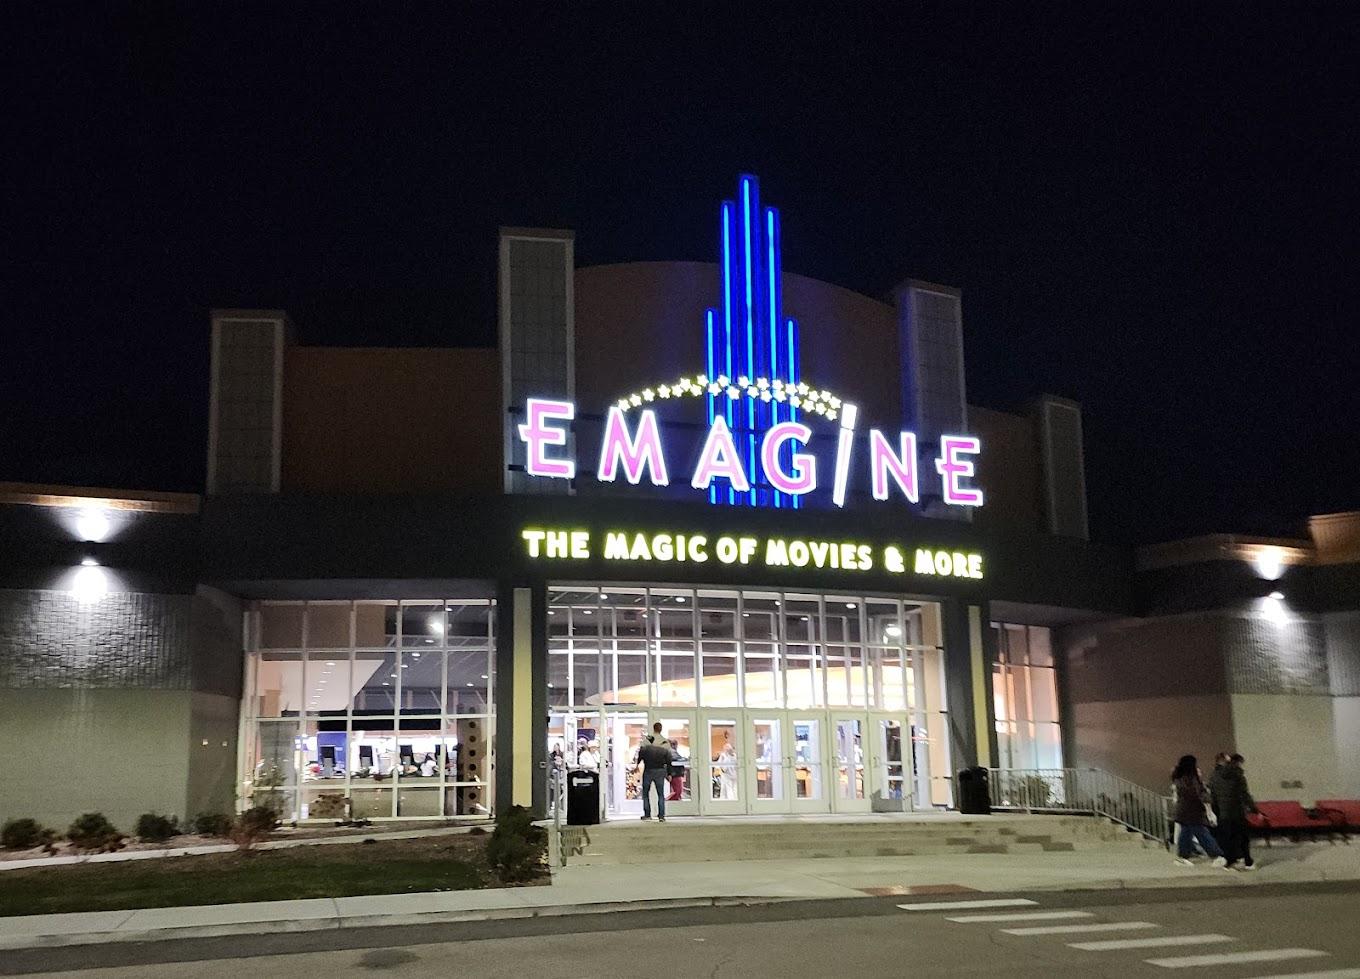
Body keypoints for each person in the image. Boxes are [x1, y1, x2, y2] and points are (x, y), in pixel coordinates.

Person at [1171, 754, 1228, 868]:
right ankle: (1217, 855)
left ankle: (1183, 856)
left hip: (1184, 811)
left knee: (1186, 833)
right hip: (1193, 811)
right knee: (1202, 833)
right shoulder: (1190, 778)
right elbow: (1198, 793)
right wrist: (1207, 806)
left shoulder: (1180, 777)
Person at [1209, 752, 1259, 870]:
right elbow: (1244, 795)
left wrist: (1215, 812)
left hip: (1223, 813)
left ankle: (1230, 861)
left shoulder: (1214, 776)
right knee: (1243, 838)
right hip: (1237, 811)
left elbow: (1213, 797)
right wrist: (1255, 810)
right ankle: (1248, 862)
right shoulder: (1237, 775)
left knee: (1228, 838)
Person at [636, 722, 672, 821]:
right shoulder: (665, 742)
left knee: (645, 794)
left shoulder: (648, 740)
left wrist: (637, 765)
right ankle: (661, 816)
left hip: (648, 769)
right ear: (661, 729)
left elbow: (641, 753)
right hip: (660, 770)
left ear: (653, 728)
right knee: (660, 794)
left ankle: (647, 814)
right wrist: (669, 773)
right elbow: (669, 760)